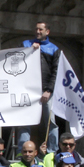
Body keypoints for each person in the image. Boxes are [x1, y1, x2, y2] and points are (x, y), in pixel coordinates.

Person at [17, 21, 61, 153]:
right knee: (24, 121)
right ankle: (22, 151)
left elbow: (56, 71)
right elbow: (16, 60)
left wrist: (49, 90)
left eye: (41, 29)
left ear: (47, 32)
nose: (37, 32)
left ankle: (52, 152)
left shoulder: (54, 49)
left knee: (51, 122)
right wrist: (29, 50)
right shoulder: (26, 44)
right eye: (36, 29)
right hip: (28, 90)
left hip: (45, 91)